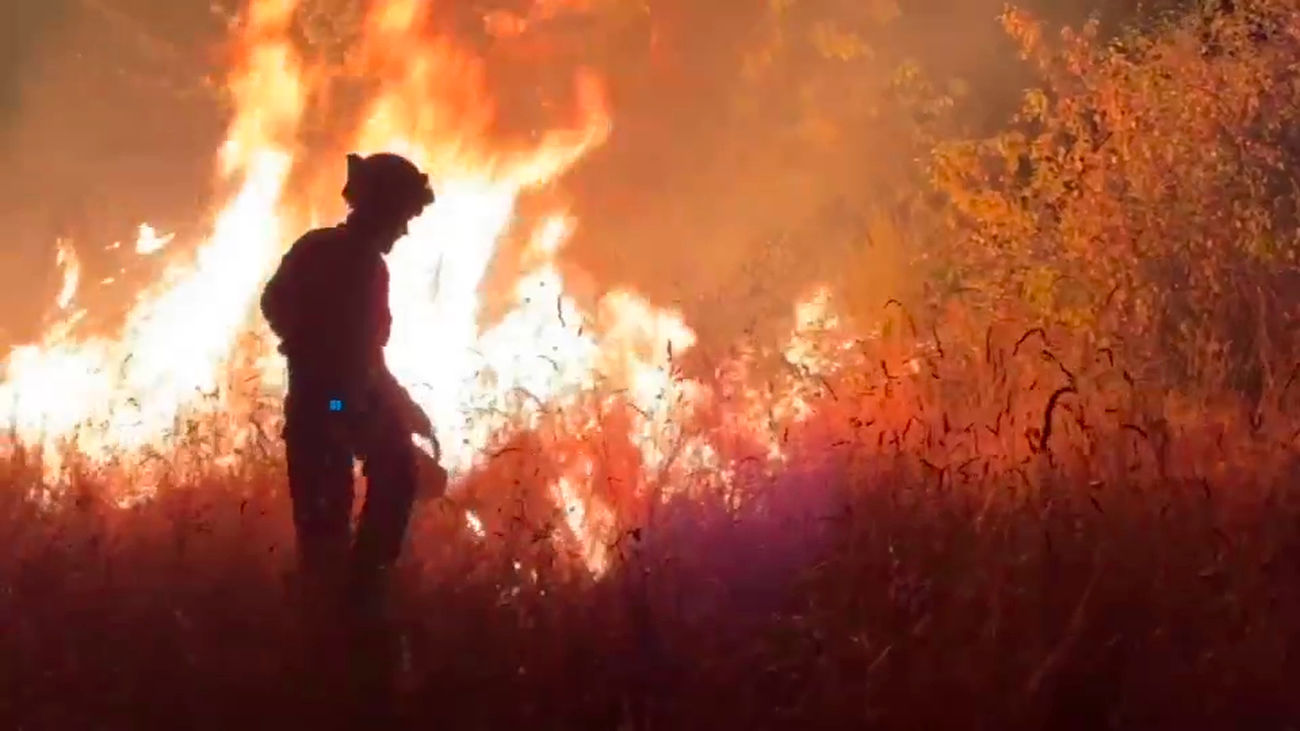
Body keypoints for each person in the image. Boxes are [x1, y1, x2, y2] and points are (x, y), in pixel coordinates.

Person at [261, 151, 439, 620]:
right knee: (387, 475)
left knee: (389, 469)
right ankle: (357, 597)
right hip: (332, 405)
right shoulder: (354, 262)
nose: (403, 230)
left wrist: (402, 405)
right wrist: (317, 355)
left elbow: (362, 355)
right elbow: (354, 354)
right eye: (403, 217)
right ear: (381, 209)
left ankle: (349, 597)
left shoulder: (321, 248)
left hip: (335, 401)